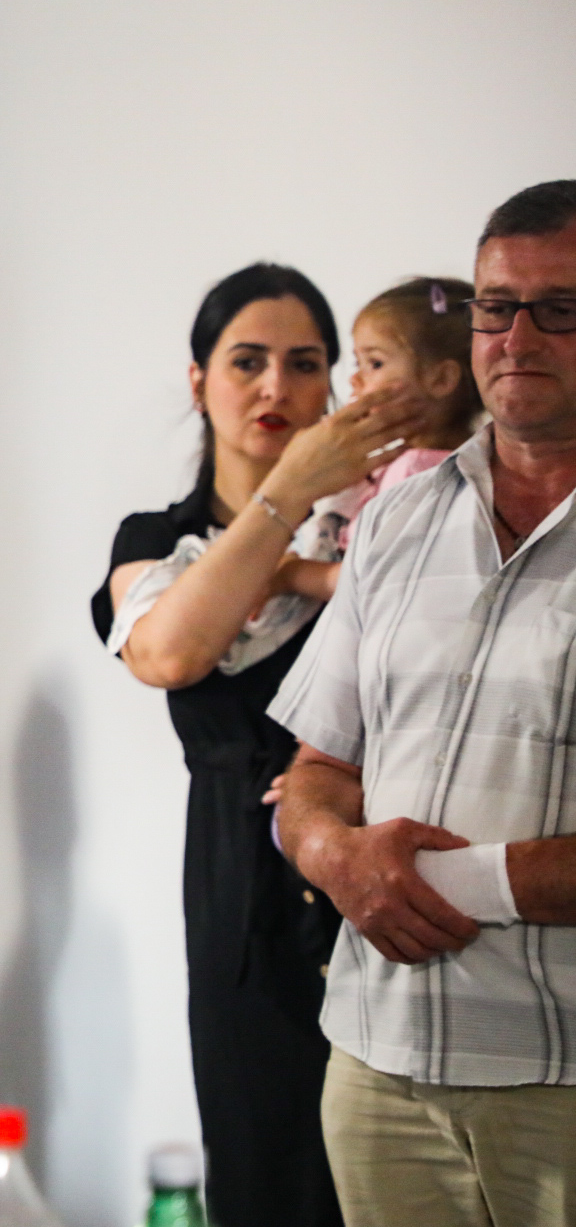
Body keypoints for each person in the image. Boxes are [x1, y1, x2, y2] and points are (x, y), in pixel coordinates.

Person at [91, 265, 426, 1227]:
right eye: (248, 362)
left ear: (335, 385)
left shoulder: (380, 527)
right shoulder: (159, 540)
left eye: (304, 363)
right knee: (266, 1169)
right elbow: (171, 653)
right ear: (199, 380)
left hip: (385, 865)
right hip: (242, 889)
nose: (276, 386)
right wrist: (289, 491)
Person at [274, 180, 576, 1224]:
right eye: (496, 306)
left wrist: (431, 880)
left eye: (559, 308)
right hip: (376, 1068)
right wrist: (336, 856)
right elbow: (319, 770)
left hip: (562, 1075)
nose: (517, 337)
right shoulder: (398, 516)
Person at [275, 276, 481, 603]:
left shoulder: (419, 475)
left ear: (441, 379)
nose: (355, 379)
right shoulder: (466, 462)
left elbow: (376, 579)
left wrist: (293, 574)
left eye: (375, 363)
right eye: (357, 363)